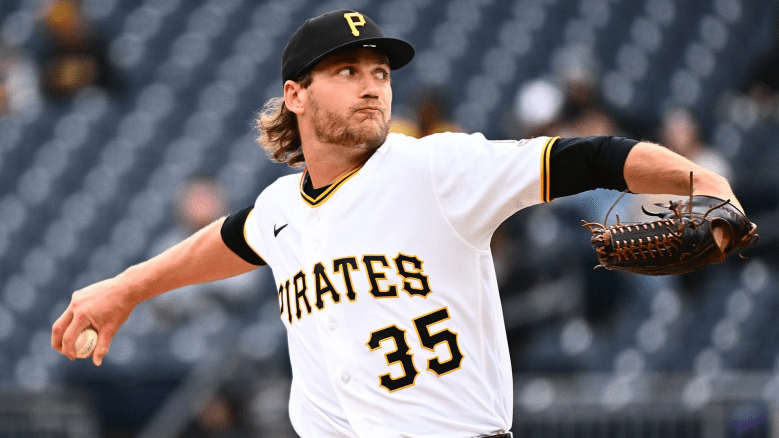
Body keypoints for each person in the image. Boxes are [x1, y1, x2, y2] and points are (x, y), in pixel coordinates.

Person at [52, 9, 745, 438]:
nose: (371, 83)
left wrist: (703, 182)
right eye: (347, 69)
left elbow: (590, 156)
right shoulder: (282, 208)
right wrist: (127, 288)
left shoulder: (436, 168)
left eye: (379, 71)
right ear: (294, 95)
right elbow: (231, 239)